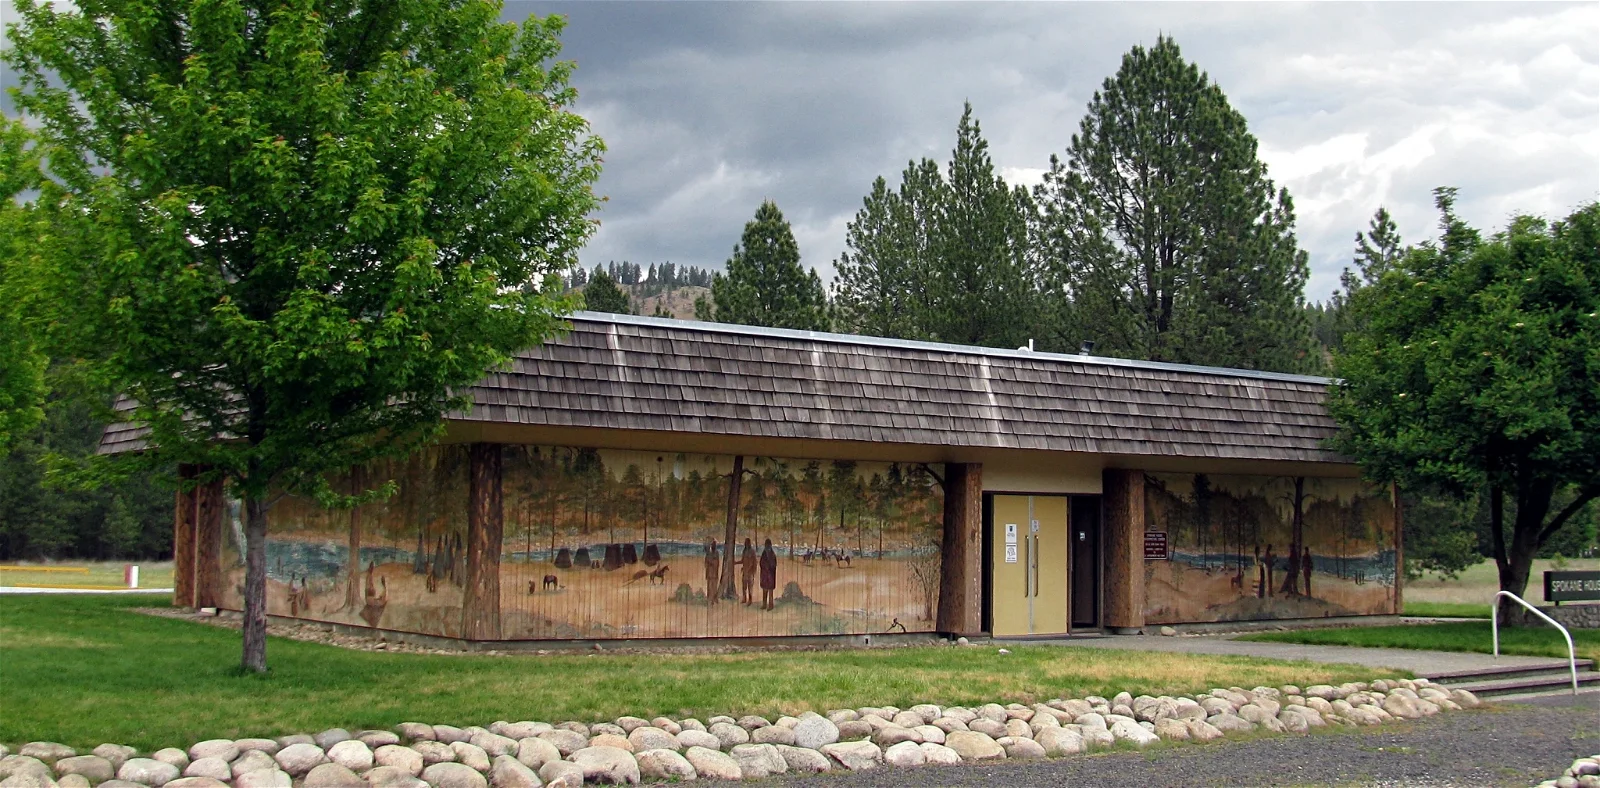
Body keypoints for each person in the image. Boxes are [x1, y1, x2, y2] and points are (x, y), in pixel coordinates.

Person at [759, 538, 778, 611]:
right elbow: (761, 563)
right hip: (764, 575)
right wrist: (764, 567)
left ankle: (770, 605)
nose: (767, 546)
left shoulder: (772, 554)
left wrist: (769, 567)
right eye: (766, 545)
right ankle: (764, 604)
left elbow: (774, 564)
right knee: (764, 590)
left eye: (768, 545)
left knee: (770, 591)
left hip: (770, 575)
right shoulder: (764, 553)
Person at [740, 537, 758, 606]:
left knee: (750, 586)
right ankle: (744, 598)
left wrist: (753, 570)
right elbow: (742, 561)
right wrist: (736, 563)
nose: (746, 544)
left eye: (747, 542)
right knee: (744, 586)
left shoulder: (752, 551)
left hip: (750, 572)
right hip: (745, 571)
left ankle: (750, 600)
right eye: (745, 543)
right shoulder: (744, 551)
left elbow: (755, 562)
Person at [703, 539, 720, 606]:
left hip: (714, 573)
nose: (713, 546)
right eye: (712, 545)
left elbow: (716, 563)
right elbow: (706, 563)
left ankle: (713, 599)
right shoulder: (708, 554)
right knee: (709, 587)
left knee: (714, 586)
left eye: (714, 545)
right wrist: (709, 563)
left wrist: (711, 562)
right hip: (709, 573)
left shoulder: (716, 553)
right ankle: (710, 599)